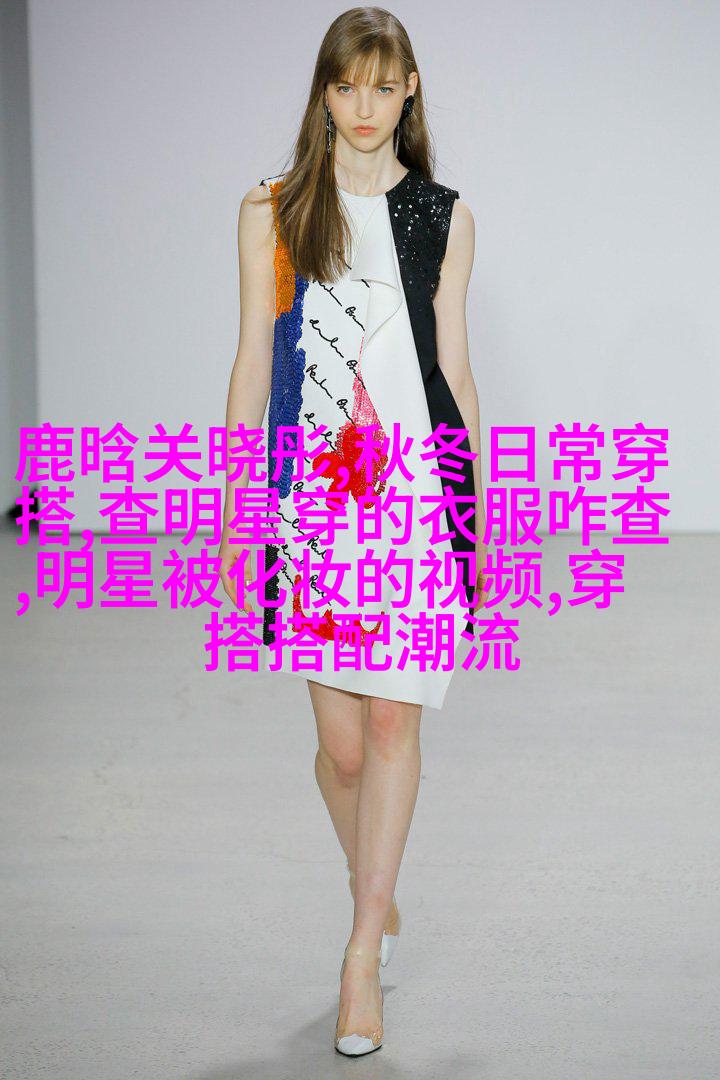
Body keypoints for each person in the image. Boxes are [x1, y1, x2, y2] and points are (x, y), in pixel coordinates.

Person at [219, 6, 487, 1057]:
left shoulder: (444, 216)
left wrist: (476, 513)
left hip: (414, 499)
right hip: (313, 506)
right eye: (346, 86)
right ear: (324, 94)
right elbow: (253, 361)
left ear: (409, 89)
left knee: (388, 731)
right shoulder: (275, 208)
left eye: (384, 85)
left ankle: (362, 950)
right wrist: (235, 513)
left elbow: (454, 369)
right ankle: (370, 885)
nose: (365, 106)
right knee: (338, 750)